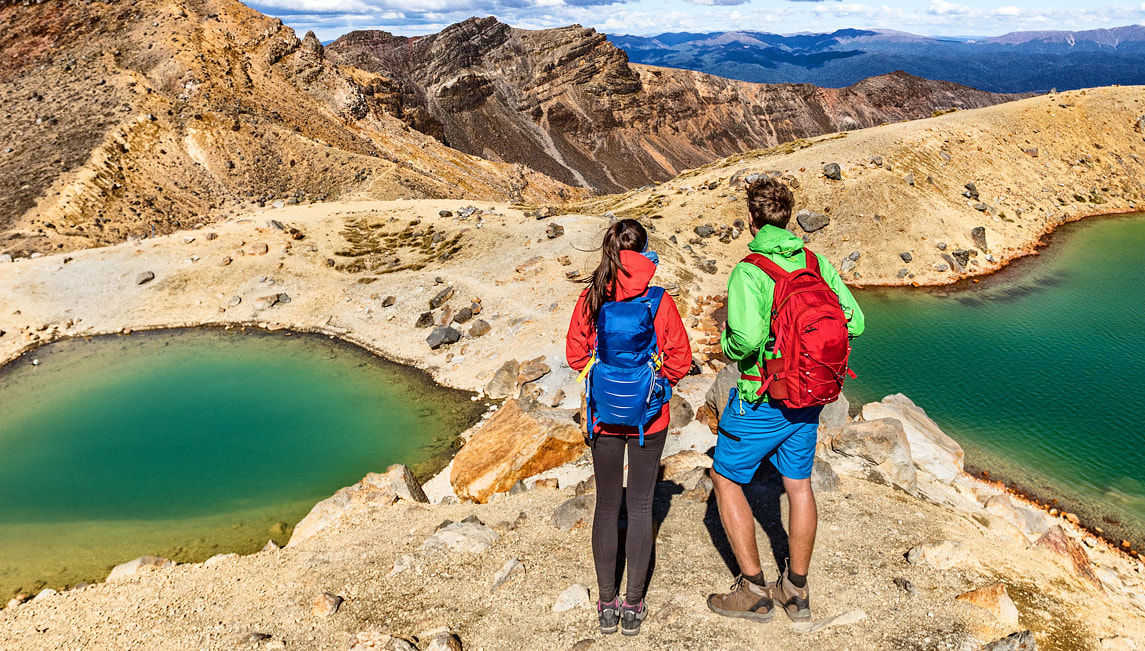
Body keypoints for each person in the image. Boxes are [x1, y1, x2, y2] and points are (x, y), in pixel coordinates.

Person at [707, 177, 864, 623]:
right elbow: (856, 322)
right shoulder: (814, 261)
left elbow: (747, 340)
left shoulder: (750, 270)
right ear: (789, 215)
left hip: (764, 398)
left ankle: (754, 591)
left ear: (752, 219)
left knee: (725, 478)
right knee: (798, 486)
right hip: (810, 398)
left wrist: (730, 345)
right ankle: (796, 592)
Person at [566, 219, 692, 636]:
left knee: (606, 505)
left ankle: (605, 603)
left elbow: (574, 354)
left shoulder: (592, 296)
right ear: (645, 251)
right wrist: (655, 386)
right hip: (648, 418)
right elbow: (680, 357)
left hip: (603, 415)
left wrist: (601, 374)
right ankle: (633, 605)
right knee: (639, 506)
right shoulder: (659, 301)